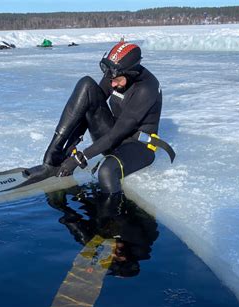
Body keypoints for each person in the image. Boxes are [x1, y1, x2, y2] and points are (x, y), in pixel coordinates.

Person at [24, 41, 163, 197]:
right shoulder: (115, 74)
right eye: (110, 78)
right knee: (87, 85)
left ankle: (112, 218)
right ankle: (52, 157)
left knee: (106, 173)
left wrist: (80, 158)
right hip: (114, 138)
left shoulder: (146, 88)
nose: (112, 83)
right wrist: (72, 143)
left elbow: (117, 133)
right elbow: (89, 105)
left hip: (138, 146)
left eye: (117, 80)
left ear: (132, 73)